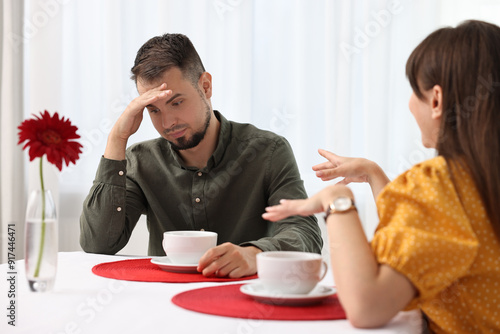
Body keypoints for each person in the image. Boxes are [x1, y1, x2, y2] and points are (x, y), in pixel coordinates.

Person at [263, 20, 500, 333]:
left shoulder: (444, 184)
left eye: (414, 91)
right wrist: (373, 174)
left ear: (436, 100)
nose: (410, 104)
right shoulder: (479, 180)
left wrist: (338, 203)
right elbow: (432, 237)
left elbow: (366, 305)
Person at [80, 33, 323, 278]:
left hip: (245, 296)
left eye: (176, 103)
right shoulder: (140, 161)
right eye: (154, 110)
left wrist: (255, 253)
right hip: (162, 298)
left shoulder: (268, 152)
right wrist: (116, 140)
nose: (167, 123)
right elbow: (97, 244)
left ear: (205, 86)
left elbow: (305, 234)